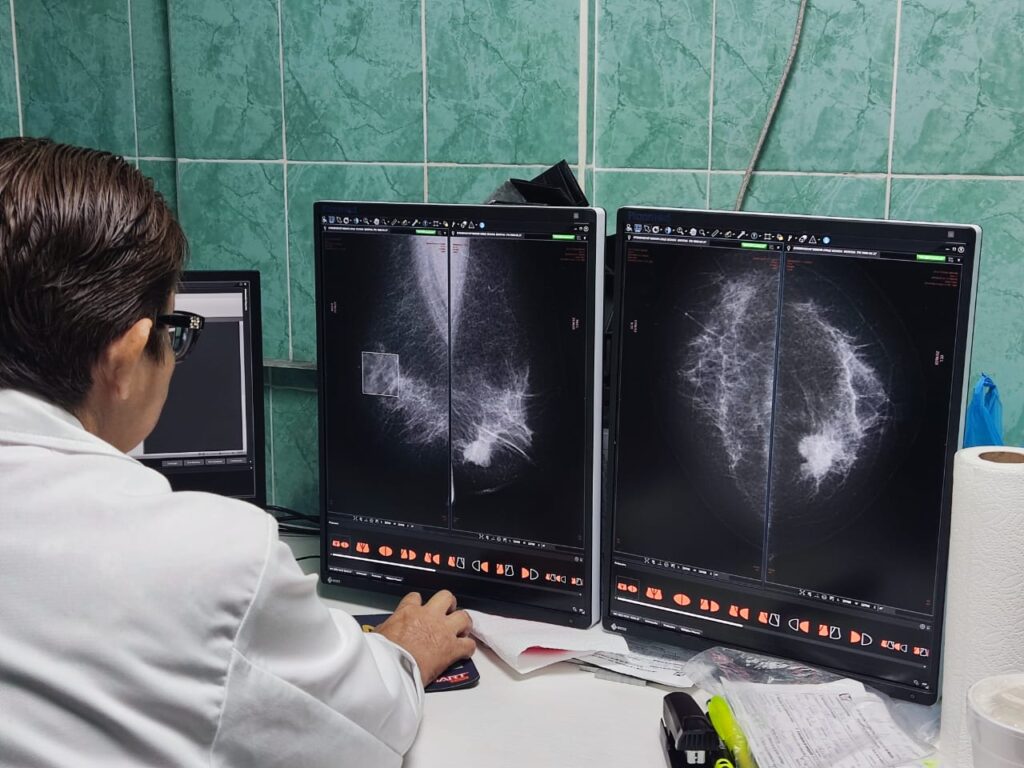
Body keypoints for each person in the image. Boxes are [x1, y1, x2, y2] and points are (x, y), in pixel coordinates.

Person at [0, 137, 475, 767]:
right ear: (125, 357)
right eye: (174, 331)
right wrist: (403, 654)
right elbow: (366, 728)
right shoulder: (212, 558)